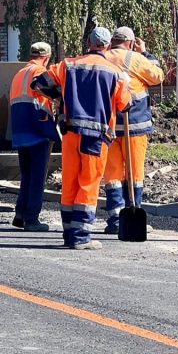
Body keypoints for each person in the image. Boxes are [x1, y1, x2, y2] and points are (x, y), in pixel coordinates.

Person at [32, 27, 132, 250]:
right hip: (96, 136)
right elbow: (125, 104)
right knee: (89, 182)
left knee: (70, 180)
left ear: (88, 42)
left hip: (70, 131)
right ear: (107, 46)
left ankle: (69, 233)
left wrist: (61, 96)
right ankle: (81, 237)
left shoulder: (68, 65)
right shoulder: (115, 72)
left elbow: (38, 84)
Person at [102, 26, 164, 234]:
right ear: (130, 43)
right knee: (135, 172)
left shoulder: (103, 57)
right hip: (134, 127)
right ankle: (134, 212)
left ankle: (115, 220)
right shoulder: (136, 59)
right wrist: (145, 53)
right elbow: (157, 76)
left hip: (108, 127)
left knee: (112, 174)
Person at [8, 41, 58, 232]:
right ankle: (31, 219)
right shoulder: (38, 72)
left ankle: (20, 214)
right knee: (38, 177)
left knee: (27, 175)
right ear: (46, 57)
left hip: (20, 130)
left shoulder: (19, 74)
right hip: (37, 129)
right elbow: (50, 92)